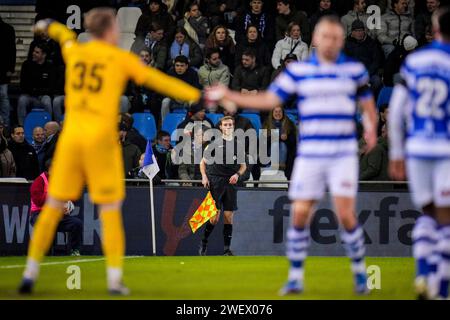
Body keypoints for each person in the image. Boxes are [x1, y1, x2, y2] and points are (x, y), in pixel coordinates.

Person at [18, 7, 211, 296]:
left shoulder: (75, 52)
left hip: (71, 138)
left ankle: (30, 273)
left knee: (52, 207)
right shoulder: (119, 58)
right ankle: (114, 280)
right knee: (109, 212)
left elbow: (62, 35)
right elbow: (159, 81)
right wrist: (200, 95)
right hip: (100, 141)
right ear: (110, 32)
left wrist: (46, 24)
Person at [210, 15, 378, 295]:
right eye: (326, 36)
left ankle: (360, 273)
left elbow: (367, 103)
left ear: (342, 41)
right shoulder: (300, 72)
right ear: (316, 39)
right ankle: (296, 277)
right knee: (300, 214)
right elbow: (269, 100)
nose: (331, 42)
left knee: (346, 214)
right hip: (311, 153)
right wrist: (232, 95)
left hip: (342, 153)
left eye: (337, 37)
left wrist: (371, 127)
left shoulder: (354, 69)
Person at [388, 7, 450, 300]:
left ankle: (423, 274)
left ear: (435, 29)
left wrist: (397, 152)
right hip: (446, 148)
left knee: (427, 213)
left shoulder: (416, 61)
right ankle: (442, 286)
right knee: (446, 218)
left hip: (417, 148)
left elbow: (398, 109)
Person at [199, 116, 247, 256]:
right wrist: (204, 176)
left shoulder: (238, 145)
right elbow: (203, 162)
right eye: (225, 124)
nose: (228, 127)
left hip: (230, 183)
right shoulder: (214, 143)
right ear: (220, 127)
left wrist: (237, 174)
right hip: (216, 181)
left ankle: (226, 249)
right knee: (214, 218)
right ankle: (204, 241)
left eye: (230, 124)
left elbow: (243, 166)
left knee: (228, 217)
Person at [30, 159, 82, 256]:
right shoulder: (39, 181)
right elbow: (38, 201)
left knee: (76, 223)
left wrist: (68, 206)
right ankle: (45, 251)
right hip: (40, 214)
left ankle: (75, 250)